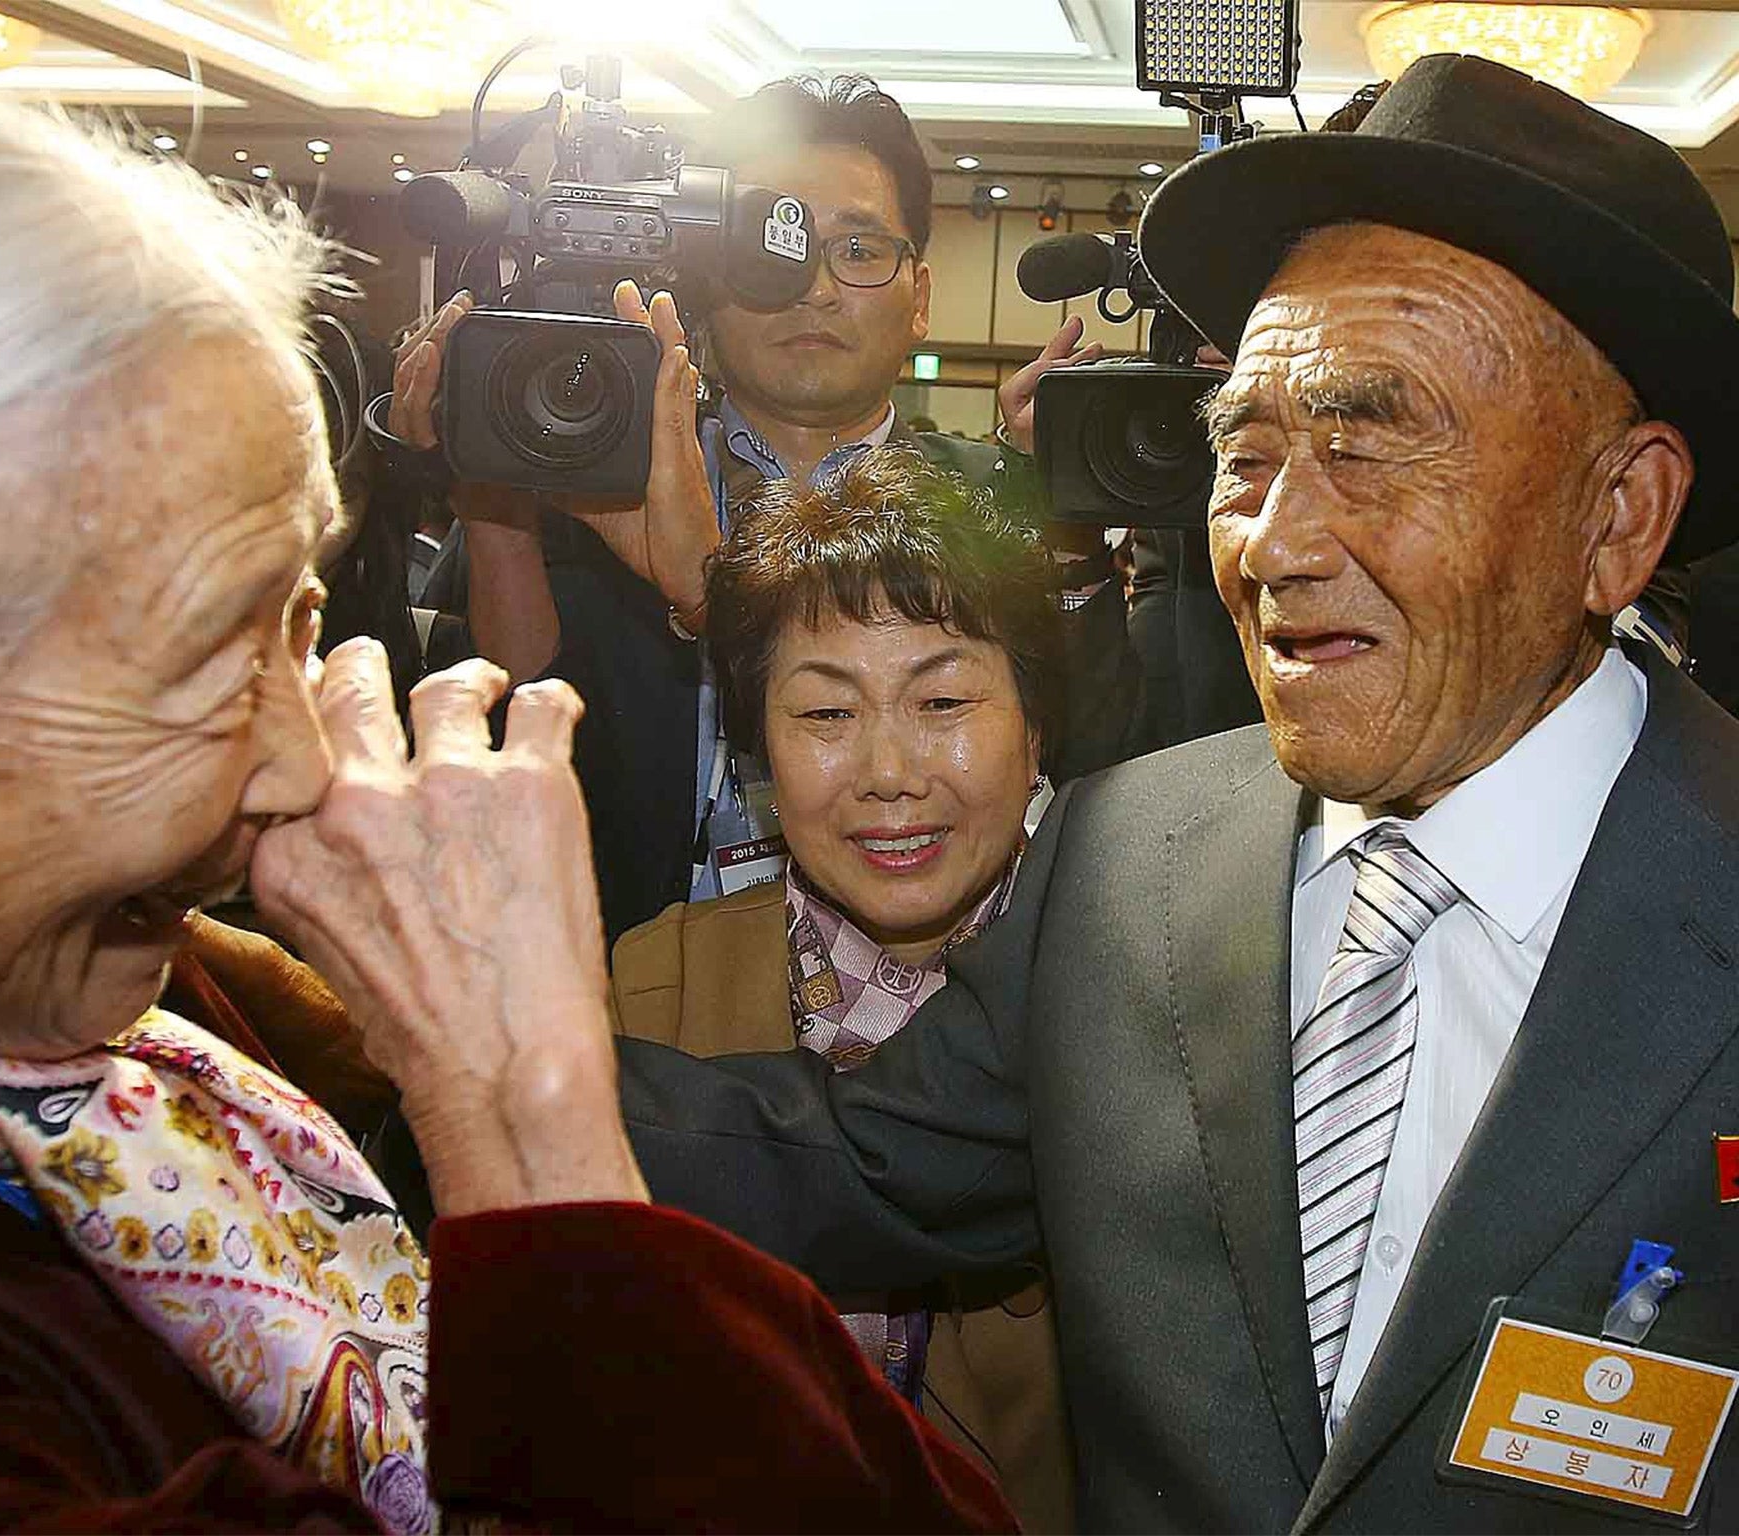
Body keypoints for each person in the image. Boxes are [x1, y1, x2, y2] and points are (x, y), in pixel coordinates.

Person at [0, 65, 1020, 1534]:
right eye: (200, 662)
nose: (308, 765)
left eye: (301, 630)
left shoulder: (197, 1009)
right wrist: (522, 1115)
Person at [613, 54, 1739, 1530]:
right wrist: (401, 1039)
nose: (1271, 544)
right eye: (1249, 456)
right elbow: (829, 1166)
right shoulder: (1130, 859)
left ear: (1621, 513)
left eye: (1368, 443)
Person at [389, 75, 1141, 942]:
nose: (814, 288)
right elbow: (489, 727)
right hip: (629, 985)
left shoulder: (993, 503)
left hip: (929, 1007)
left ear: (921, 297)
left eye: (859, 250)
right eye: (771, 247)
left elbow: (1099, 764)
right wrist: (490, 489)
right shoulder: (580, 468)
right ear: (707, 280)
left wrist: (1069, 519)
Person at [609, 446, 1071, 1528]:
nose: (889, 773)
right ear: (757, 751)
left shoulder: (1127, 991)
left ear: (1036, 723)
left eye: (944, 699)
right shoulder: (651, 986)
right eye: (824, 715)